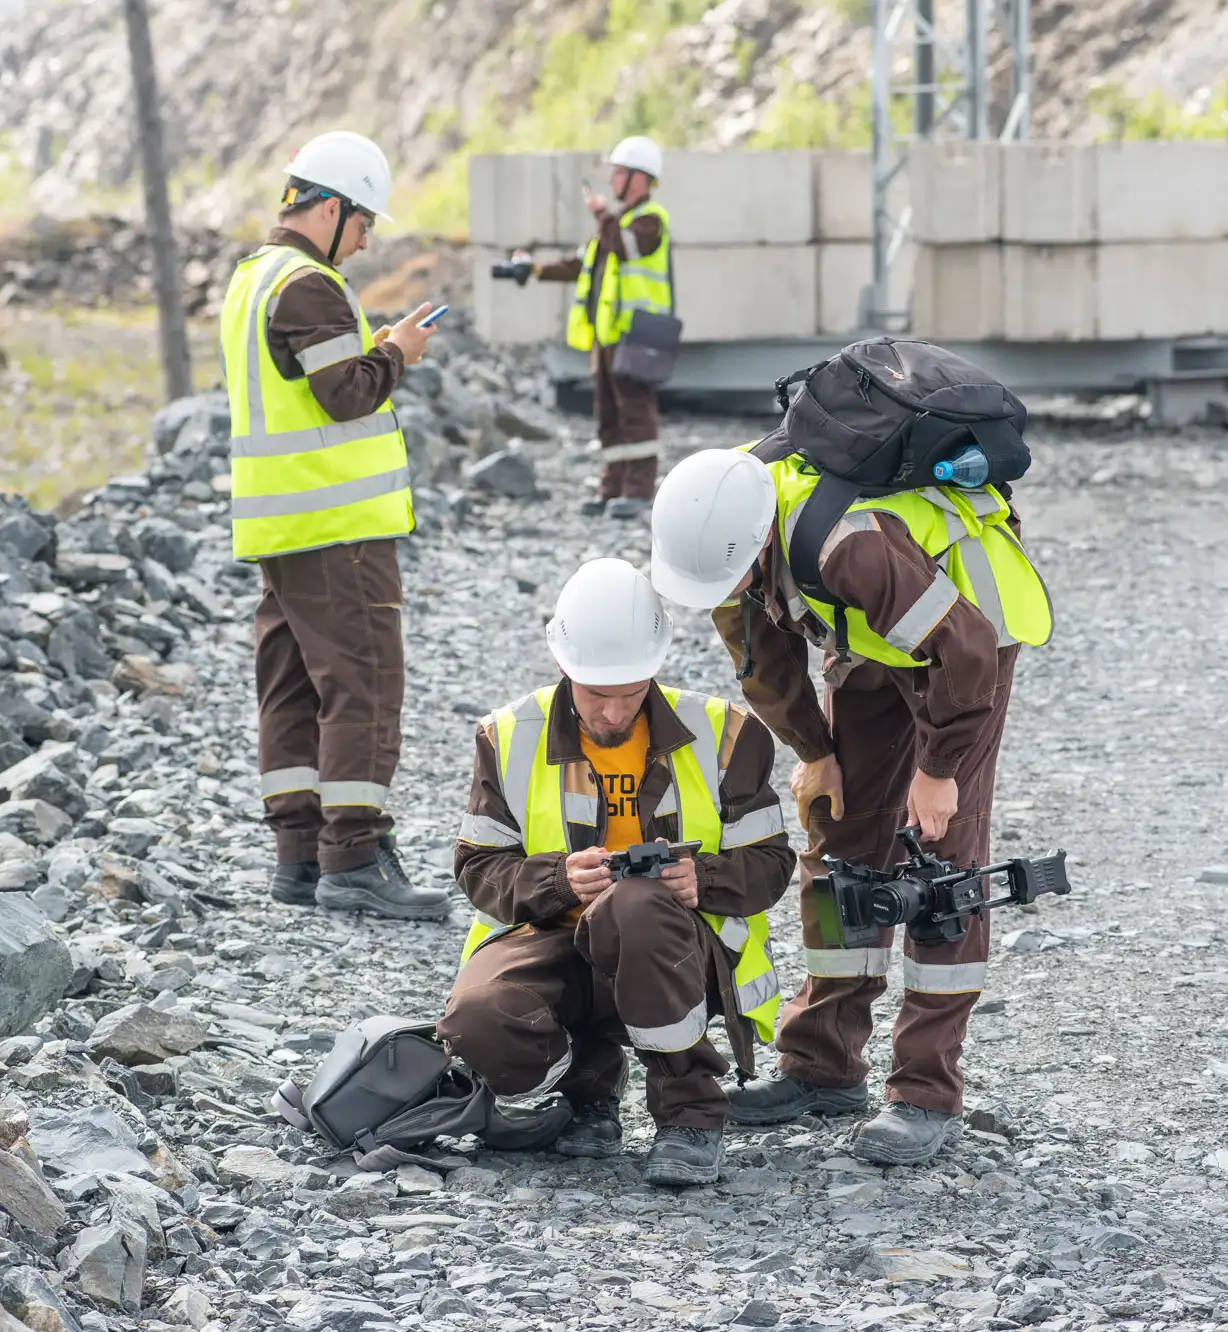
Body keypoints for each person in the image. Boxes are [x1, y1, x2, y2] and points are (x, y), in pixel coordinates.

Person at [649, 446, 1048, 1167]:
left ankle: (926, 1093)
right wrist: (814, 750)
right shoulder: (719, 522)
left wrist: (938, 768)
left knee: (941, 869)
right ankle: (822, 1066)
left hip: (967, 643)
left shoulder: (850, 548)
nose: (722, 590)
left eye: (730, 578)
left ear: (762, 541)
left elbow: (965, 653)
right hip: (870, 642)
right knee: (839, 839)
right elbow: (760, 657)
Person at [438, 558, 793, 1187]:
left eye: (630, 692)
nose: (612, 711)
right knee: (476, 1027)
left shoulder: (727, 734)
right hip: (552, 934)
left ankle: (690, 1113)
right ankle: (588, 1090)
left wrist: (702, 881)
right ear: (564, 668)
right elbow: (477, 866)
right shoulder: (506, 735)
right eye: (596, 693)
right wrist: (558, 881)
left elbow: (771, 862)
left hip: (680, 949)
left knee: (636, 904)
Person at [220, 129, 449, 920]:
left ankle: (300, 859)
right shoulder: (309, 285)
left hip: (280, 530)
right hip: (337, 528)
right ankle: (352, 858)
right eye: (363, 223)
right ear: (330, 206)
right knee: (364, 682)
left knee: (288, 690)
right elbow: (347, 393)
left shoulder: (253, 279)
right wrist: (397, 351)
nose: (364, 239)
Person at [510, 136, 672, 521]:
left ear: (638, 178)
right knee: (610, 414)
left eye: (617, 172)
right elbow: (578, 264)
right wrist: (534, 269)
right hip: (609, 337)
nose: (611, 180)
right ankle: (612, 486)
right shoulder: (615, 226)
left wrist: (602, 214)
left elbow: (624, 247)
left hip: (637, 334)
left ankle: (638, 490)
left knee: (636, 411)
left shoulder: (650, 221)